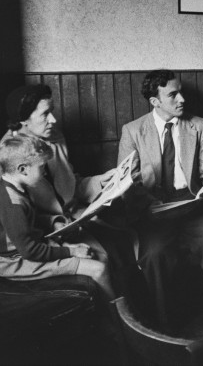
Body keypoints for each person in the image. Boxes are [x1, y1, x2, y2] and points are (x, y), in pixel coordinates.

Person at [117, 69, 203, 328]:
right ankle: (163, 324)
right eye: (172, 95)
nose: (182, 100)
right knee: (153, 254)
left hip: (191, 205)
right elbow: (126, 182)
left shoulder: (198, 125)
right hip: (154, 210)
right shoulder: (133, 131)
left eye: (182, 93)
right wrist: (148, 202)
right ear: (155, 101)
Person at [2, 84, 135, 293]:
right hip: (49, 231)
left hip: (75, 217)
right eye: (45, 114)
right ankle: (117, 317)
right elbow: (19, 225)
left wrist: (103, 180)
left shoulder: (55, 137)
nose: (53, 120)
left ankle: (132, 313)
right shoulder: (8, 156)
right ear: (23, 120)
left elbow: (71, 184)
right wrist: (56, 227)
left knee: (128, 242)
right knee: (103, 258)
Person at [0, 134, 114, 299]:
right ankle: (118, 320)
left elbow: (28, 219)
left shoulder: (15, 186)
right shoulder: (12, 203)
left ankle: (111, 312)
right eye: (41, 167)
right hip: (14, 262)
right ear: (23, 169)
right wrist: (71, 251)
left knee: (100, 256)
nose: (45, 171)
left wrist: (53, 222)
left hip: (30, 248)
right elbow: (30, 251)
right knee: (99, 269)